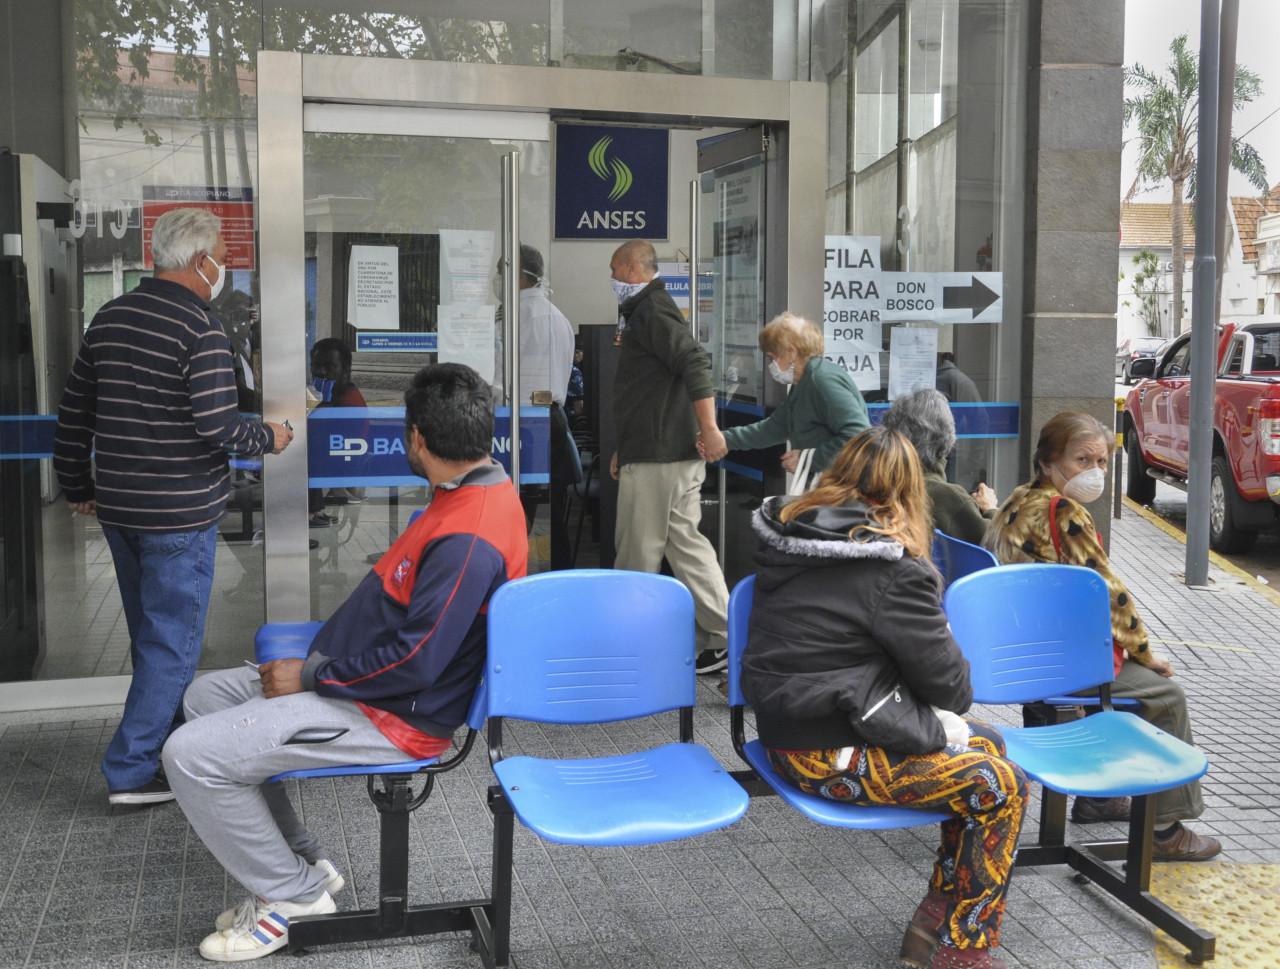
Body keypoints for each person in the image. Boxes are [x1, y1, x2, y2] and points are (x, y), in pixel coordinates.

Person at [162, 363, 529, 962]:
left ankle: (296, 895)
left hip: (393, 715)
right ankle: (303, 862)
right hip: (355, 680)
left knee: (187, 755)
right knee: (203, 698)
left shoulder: (469, 536)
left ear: (415, 438)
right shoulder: (471, 486)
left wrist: (309, 676)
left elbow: (416, 661)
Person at [742, 426, 1027, 969]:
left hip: (787, 732)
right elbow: (953, 690)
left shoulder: (791, 536)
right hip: (830, 755)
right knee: (999, 783)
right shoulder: (889, 567)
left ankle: (931, 923)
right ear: (905, 495)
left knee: (990, 746)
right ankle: (964, 951)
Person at [53, 207, 293, 808]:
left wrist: (77, 482)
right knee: (173, 644)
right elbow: (217, 426)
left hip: (122, 510)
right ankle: (132, 772)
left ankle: (163, 747)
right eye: (223, 261)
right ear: (199, 261)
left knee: (151, 637)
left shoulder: (109, 318)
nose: (225, 271)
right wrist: (269, 437)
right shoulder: (199, 328)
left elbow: (74, 414)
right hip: (178, 517)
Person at [983, 411, 1220, 861]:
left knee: (1129, 682)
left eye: (1103, 461)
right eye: (1081, 460)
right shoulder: (1064, 512)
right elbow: (1109, 595)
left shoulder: (1019, 498)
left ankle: (1100, 798)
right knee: (1166, 694)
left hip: (1017, 652)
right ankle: (1165, 830)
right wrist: (1146, 653)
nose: (1094, 472)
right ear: (1047, 463)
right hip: (1051, 661)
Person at [609, 238, 730, 675]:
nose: (612, 280)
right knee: (687, 547)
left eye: (614, 271)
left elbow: (694, 362)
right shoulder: (645, 311)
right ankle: (725, 635)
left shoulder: (652, 310)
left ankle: (628, 647)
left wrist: (711, 428)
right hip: (663, 451)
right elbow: (651, 390)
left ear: (631, 270)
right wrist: (628, 445)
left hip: (661, 459)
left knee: (637, 553)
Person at [698, 312, 869, 489]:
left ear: (791, 352)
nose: (771, 365)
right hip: (829, 486)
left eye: (773, 357)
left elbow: (859, 434)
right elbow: (773, 429)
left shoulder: (821, 381)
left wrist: (809, 459)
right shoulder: (805, 382)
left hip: (842, 489)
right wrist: (720, 439)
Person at [509, 244, 576, 569]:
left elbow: (499, 381)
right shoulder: (559, 317)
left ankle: (510, 586)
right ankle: (561, 584)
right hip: (552, 421)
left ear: (519, 274)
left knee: (517, 514)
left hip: (522, 424)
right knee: (550, 512)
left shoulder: (517, 317)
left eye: (502, 270)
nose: (498, 278)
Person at [881, 388, 997, 545]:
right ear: (945, 442)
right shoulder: (949, 498)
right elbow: (999, 545)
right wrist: (991, 510)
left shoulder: (878, 484)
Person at [307, 337, 368, 527]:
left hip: (337, 463)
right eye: (316, 366)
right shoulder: (334, 397)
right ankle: (315, 509)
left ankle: (311, 511)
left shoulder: (347, 401)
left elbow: (323, 444)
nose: (322, 372)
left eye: (330, 366)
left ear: (346, 369)